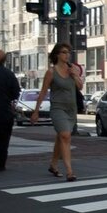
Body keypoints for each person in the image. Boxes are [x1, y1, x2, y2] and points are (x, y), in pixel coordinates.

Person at [31, 43, 83, 182]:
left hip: (71, 109)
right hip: (58, 108)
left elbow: (80, 86)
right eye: (64, 52)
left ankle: (53, 165)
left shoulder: (73, 69)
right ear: (57, 55)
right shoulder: (51, 72)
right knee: (65, 135)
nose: (67, 55)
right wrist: (36, 111)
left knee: (61, 137)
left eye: (68, 52)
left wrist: (75, 75)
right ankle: (70, 171)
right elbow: (43, 92)